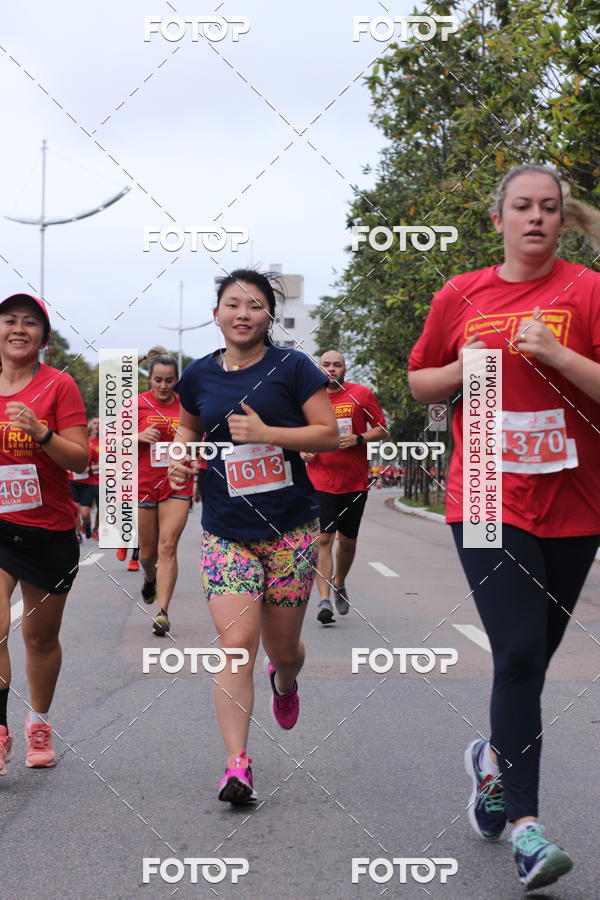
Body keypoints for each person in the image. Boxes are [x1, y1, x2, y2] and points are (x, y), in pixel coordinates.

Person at [408, 164, 600, 891]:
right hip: (485, 488)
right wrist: (463, 366)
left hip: (577, 495)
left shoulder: (587, 291)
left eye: (549, 208)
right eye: (522, 206)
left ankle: (492, 759)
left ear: (561, 219)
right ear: (499, 219)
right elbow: (420, 379)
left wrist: (554, 353)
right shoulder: (462, 294)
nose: (536, 218)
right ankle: (528, 829)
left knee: (535, 657)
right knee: (518, 651)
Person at [169, 268, 338, 805]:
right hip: (227, 530)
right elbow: (189, 426)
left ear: (270, 315)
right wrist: (180, 457)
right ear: (216, 312)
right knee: (235, 645)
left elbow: (328, 434)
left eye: (256, 305)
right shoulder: (197, 375)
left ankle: (284, 681)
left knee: (282, 648)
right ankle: (236, 765)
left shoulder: (292, 367)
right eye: (233, 304)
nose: (243, 313)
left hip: (289, 529)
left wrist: (269, 434)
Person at [0, 293, 88, 772]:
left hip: (48, 528)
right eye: (9, 320)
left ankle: (39, 720)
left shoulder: (59, 386)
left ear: (42, 338)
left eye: (29, 322)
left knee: (39, 638)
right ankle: (0, 730)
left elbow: (81, 458)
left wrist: (42, 433)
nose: (18, 328)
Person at [300, 350, 387, 624]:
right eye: (326, 364)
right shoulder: (308, 398)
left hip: (354, 480)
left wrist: (359, 438)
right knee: (324, 538)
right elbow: (297, 433)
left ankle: (339, 582)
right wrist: (303, 450)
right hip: (320, 479)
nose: (331, 369)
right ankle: (324, 600)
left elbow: (382, 429)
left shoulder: (361, 394)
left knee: (347, 541)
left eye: (336, 365)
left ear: (345, 369)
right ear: (319, 368)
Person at [136, 348, 192, 635]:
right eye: (158, 380)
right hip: (145, 484)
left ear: (176, 381)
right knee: (147, 554)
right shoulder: (136, 405)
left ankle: (162, 612)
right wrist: (137, 436)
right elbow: (111, 444)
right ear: (150, 380)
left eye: (169, 380)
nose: (163, 386)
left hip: (177, 484)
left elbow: (198, 441)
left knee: (167, 546)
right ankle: (149, 578)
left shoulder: (187, 407)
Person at [69, 417, 99, 541]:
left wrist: (89, 468)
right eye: (95, 423)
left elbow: (94, 463)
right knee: (75, 509)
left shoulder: (105, 442)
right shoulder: (82, 441)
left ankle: (88, 525)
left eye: (99, 424)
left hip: (90, 481)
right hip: (73, 480)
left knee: (85, 512)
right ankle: (77, 534)